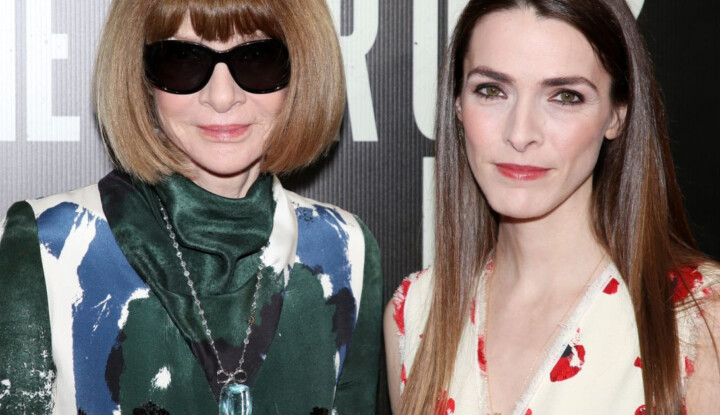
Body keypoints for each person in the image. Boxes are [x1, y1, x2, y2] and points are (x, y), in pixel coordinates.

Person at [0, 0, 382, 414]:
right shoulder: (50, 246)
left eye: (258, 58)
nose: (222, 97)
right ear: (141, 77)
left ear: (302, 69)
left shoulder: (345, 248)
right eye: (182, 59)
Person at [385, 0, 720, 414]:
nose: (521, 132)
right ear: (457, 103)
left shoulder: (699, 317)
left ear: (617, 114)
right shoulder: (417, 312)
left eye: (565, 96)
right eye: (491, 90)